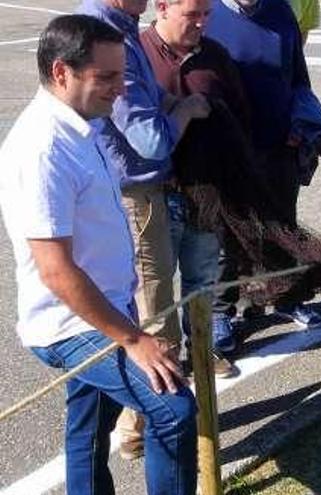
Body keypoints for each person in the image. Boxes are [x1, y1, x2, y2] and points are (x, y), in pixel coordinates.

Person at [0, 15, 196, 495]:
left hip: (107, 306)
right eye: (106, 78)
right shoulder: (42, 148)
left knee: (89, 432)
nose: (118, 90)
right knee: (172, 408)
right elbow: (55, 269)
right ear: (62, 72)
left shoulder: (81, 125)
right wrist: (132, 338)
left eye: (122, 76)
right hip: (72, 324)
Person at [78, 0, 211, 460]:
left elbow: (142, 102)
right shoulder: (104, 30)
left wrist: (168, 100)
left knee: (143, 304)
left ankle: (138, 423)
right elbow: (149, 139)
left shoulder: (120, 24)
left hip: (130, 190)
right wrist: (188, 109)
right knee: (156, 312)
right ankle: (152, 427)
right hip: (135, 192)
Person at [205, 0, 321, 329]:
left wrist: (299, 126)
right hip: (226, 150)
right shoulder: (206, 12)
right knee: (225, 236)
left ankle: (285, 298)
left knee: (281, 228)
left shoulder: (280, 11)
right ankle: (221, 313)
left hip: (279, 145)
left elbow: (298, 80)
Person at [141, 0, 249, 376]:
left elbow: (239, 112)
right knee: (153, 293)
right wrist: (183, 110)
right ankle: (161, 364)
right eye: (193, 15)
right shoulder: (138, 53)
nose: (202, 23)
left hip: (206, 195)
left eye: (207, 14)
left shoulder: (215, 55)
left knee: (201, 281)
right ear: (163, 7)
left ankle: (203, 354)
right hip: (157, 195)